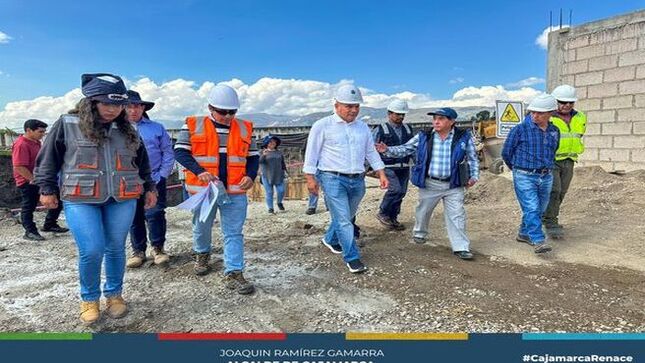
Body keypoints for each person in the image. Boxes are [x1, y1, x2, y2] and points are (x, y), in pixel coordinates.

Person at [34, 73, 157, 325]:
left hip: (122, 196)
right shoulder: (67, 123)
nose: (113, 110)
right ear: (91, 102)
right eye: (106, 103)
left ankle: (114, 295)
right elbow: (48, 159)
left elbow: (142, 163)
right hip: (81, 197)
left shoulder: (129, 128)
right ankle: (89, 299)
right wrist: (46, 188)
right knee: (91, 249)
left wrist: (150, 187)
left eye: (118, 104)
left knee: (115, 247)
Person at [174, 84, 258, 294]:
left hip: (236, 190)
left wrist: (251, 175)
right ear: (210, 108)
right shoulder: (193, 124)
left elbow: (253, 157)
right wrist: (199, 170)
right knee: (201, 226)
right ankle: (202, 254)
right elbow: (180, 153)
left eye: (232, 112)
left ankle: (234, 272)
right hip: (205, 190)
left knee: (233, 232)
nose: (228, 116)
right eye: (223, 112)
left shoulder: (246, 127)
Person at [303, 84, 388, 273]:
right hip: (332, 178)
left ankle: (330, 239)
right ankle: (352, 257)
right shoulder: (322, 126)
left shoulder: (362, 127)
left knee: (347, 215)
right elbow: (311, 153)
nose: (353, 110)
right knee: (343, 219)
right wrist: (310, 178)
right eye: (349, 106)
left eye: (356, 106)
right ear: (336, 105)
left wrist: (381, 173)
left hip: (358, 179)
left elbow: (370, 152)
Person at [376, 107, 479, 260]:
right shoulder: (424, 136)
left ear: (452, 122)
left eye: (441, 119)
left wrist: (474, 175)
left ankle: (461, 247)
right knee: (423, 211)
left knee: (457, 215)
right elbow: (405, 149)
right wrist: (387, 150)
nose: (436, 121)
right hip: (430, 184)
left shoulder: (463, 137)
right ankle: (420, 233)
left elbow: (472, 157)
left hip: (454, 185)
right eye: (435, 118)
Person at [501, 94, 560, 254]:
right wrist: (517, 169)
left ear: (550, 113)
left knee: (539, 208)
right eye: (533, 112)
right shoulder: (519, 130)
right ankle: (538, 240)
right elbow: (506, 152)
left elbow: (553, 150)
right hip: (524, 174)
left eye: (540, 113)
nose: (535, 115)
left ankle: (523, 233)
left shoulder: (554, 130)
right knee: (532, 207)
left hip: (546, 175)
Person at [125, 90, 175, 268]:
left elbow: (168, 152)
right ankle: (138, 251)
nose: (133, 110)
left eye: (136, 106)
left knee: (155, 213)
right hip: (127, 181)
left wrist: (162, 175)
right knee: (133, 216)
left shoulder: (157, 128)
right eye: (129, 106)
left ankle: (158, 248)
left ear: (143, 107)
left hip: (153, 178)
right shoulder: (115, 129)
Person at [12, 119, 69, 241]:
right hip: (27, 181)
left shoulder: (36, 142)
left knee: (58, 199)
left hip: (40, 179)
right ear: (28, 130)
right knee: (29, 206)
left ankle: (50, 224)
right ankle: (30, 231)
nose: (43, 134)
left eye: (44, 132)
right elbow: (18, 166)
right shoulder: (21, 144)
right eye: (40, 131)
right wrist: (32, 179)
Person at [543, 85, 586, 239]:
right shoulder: (548, 117)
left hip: (569, 160)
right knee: (554, 190)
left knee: (562, 192)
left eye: (571, 102)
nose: (567, 105)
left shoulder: (580, 116)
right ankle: (551, 222)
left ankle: (547, 216)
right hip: (551, 160)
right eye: (563, 102)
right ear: (555, 101)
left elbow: (578, 135)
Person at [372, 99, 414, 230]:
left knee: (401, 192)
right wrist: (373, 167)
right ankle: (383, 213)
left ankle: (393, 217)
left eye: (403, 114)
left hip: (404, 166)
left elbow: (412, 147)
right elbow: (372, 148)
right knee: (394, 189)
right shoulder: (380, 129)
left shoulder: (408, 129)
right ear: (389, 114)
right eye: (398, 114)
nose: (401, 117)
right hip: (387, 166)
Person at [260, 135, 287, 213]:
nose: (272, 143)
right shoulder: (262, 152)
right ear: (267, 143)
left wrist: (285, 171)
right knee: (269, 192)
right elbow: (260, 162)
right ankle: (270, 208)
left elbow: (282, 163)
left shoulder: (279, 152)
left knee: (281, 190)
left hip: (279, 175)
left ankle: (279, 202)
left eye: (274, 141)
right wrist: (263, 155)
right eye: (270, 141)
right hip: (266, 175)